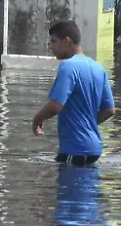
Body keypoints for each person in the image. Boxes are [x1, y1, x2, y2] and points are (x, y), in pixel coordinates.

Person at [33, 21, 116, 166]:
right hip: (94, 148)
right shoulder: (98, 68)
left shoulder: (68, 66)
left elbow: (55, 106)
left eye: (54, 41)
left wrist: (37, 119)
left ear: (67, 41)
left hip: (76, 148)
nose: (51, 46)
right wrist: (87, 125)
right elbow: (109, 110)